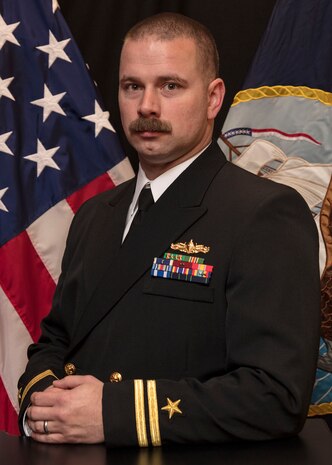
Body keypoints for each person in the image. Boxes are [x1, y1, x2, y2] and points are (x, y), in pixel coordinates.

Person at [18, 12, 321, 447]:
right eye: (132, 86)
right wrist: (48, 407)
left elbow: (275, 395)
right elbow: (56, 341)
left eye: (171, 86)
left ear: (215, 98)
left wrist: (112, 412)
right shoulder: (95, 215)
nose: (147, 107)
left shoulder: (263, 213)